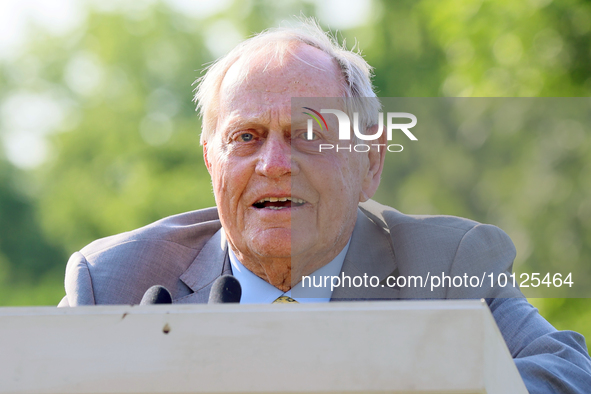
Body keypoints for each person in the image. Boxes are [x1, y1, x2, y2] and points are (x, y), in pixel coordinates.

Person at [58, 20, 591, 392]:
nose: (273, 163)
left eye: (308, 133)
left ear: (371, 161)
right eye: (245, 136)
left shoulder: (447, 264)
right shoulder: (112, 283)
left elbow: (569, 374)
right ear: (210, 162)